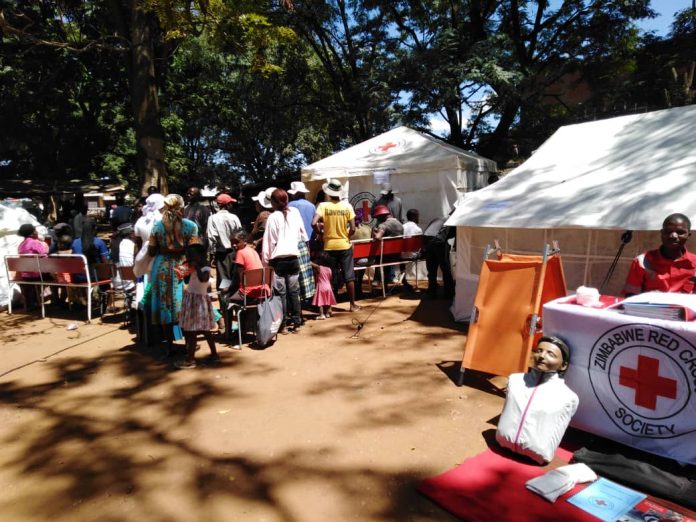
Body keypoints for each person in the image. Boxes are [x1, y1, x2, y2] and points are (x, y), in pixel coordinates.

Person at [496, 336, 579, 464]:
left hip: (539, 456)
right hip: (501, 443)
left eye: (550, 354)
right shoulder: (515, 380)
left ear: (563, 365)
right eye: (539, 351)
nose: (542, 356)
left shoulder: (568, 398)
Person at [147, 194, 200, 351]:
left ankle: (169, 347)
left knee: (164, 306)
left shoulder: (157, 226)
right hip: (183, 267)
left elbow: (151, 252)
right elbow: (194, 250)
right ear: (182, 207)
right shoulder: (191, 226)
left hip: (161, 268)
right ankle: (190, 345)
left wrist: (164, 248)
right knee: (186, 306)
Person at [262, 188, 308, 332]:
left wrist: (265, 262)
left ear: (274, 202)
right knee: (294, 292)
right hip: (294, 258)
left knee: (280, 294)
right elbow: (303, 236)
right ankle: (296, 322)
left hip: (278, 261)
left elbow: (268, 242)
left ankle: (281, 324)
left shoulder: (273, 217)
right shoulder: (294, 214)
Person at [312, 179, 361, 312]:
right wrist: (347, 236)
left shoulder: (323, 206)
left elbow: (313, 223)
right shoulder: (347, 206)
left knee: (330, 275)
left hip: (328, 246)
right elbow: (353, 228)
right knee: (349, 276)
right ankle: (352, 305)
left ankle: (330, 305)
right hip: (344, 245)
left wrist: (320, 234)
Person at [623, 213, 696, 296]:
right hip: (648, 308)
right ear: (661, 233)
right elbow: (630, 296)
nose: (673, 236)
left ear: (688, 235)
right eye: (668, 231)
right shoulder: (642, 261)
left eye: (680, 232)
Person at [175, 243, 218, 369]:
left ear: (199, 255)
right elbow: (185, 277)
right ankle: (213, 355)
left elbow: (204, 279)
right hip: (192, 298)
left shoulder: (205, 266)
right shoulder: (194, 264)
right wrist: (184, 270)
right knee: (198, 331)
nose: (189, 257)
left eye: (191, 255)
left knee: (195, 331)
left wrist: (197, 267)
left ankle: (190, 360)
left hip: (198, 301)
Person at [207, 193, 242, 293]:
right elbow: (240, 235)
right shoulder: (234, 217)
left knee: (224, 280)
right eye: (230, 203)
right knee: (234, 278)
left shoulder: (213, 218)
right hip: (235, 252)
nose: (232, 205)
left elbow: (211, 238)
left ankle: (225, 305)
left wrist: (212, 255)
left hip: (222, 254)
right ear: (227, 205)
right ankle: (232, 304)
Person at [288, 181, 316, 307]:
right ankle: (311, 296)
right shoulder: (311, 206)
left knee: (297, 273)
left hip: (296, 242)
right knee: (310, 272)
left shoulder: (289, 206)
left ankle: (299, 299)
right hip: (311, 240)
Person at [16, 223, 49, 310]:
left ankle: (32, 302)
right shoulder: (35, 243)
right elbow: (44, 256)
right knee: (54, 277)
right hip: (36, 275)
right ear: (32, 233)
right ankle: (57, 302)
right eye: (35, 230)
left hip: (25, 275)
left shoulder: (21, 245)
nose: (37, 232)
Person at [423, 213, 456, 298]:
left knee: (431, 268)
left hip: (426, 240)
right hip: (438, 241)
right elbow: (454, 236)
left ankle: (432, 291)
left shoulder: (438, 218)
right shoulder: (453, 221)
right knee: (445, 267)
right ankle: (449, 292)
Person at [372, 204, 404, 285]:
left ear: (381, 216)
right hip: (398, 255)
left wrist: (373, 231)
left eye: (378, 217)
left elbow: (378, 237)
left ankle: (381, 284)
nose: (377, 219)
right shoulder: (399, 224)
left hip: (387, 256)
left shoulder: (383, 225)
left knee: (378, 257)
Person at [401, 209, 423, 291]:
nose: (418, 218)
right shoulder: (418, 229)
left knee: (403, 253)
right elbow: (420, 246)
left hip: (401, 255)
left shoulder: (402, 227)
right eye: (417, 216)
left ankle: (403, 278)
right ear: (414, 217)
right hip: (413, 255)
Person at [184, 186, 211, 252]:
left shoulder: (204, 209)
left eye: (191, 194)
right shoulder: (185, 208)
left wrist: (204, 243)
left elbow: (206, 227)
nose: (188, 195)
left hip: (198, 243)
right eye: (187, 193)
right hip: (186, 242)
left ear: (197, 196)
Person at [312, 251, 337, 320]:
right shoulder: (329, 269)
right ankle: (328, 312)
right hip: (328, 286)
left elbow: (312, 264)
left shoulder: (319, 268)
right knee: (328, 299)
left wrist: (307, 260)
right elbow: (330, 278)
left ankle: (321, 314)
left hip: (320, 287)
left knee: (320, 302)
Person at [250, 188, 274, 254]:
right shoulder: (271, 213)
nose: (255, 204)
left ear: (260, 204)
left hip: (262, 248)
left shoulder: (263, 215)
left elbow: (263, 232)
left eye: (257, 202)